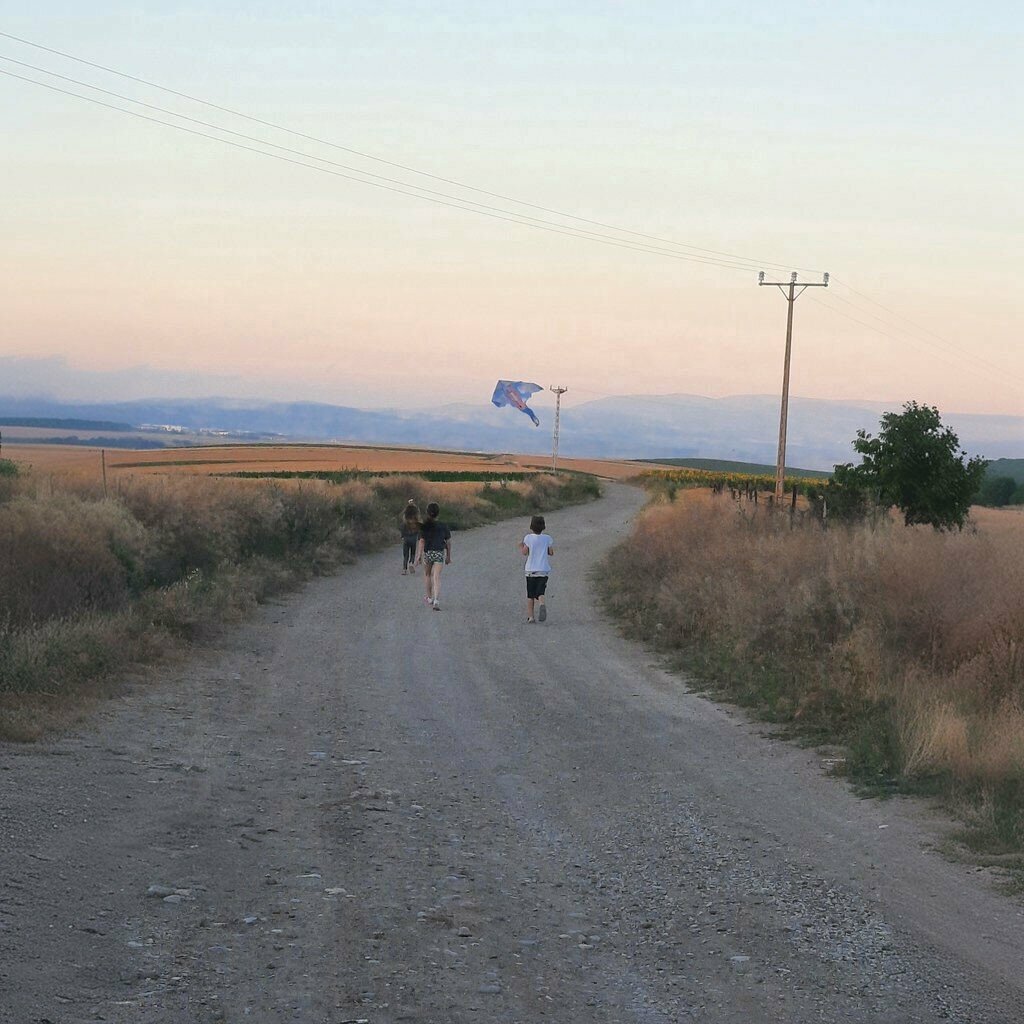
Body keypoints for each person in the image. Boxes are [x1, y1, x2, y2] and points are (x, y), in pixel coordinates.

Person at [415, 502, 451, 610]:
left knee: (427, 575)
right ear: (438, 513)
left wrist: (419, 556)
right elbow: (448, 542)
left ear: (427, 513)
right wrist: (448, 556)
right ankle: (436, 600)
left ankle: (429, 597)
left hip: (428, 553)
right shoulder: (443, 526)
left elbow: (421, 541)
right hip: (439, 552)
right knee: (436, 577)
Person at [520, 514, 554, 623]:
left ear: (531, 526)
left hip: (530, 570)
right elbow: (551, 552)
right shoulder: (547, 538)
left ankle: (531, 617)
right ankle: (542, 603)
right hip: (543, 570)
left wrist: (521, 546)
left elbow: (525, 552)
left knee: (530, 594)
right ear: (543, 526)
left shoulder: (528, 538)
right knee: (540, 592)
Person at [400, 500, 420, 575]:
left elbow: (402, 528)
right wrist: (419, 537)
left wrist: (402, 536)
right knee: (412, 553)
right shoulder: (416, 521)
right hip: (413, 539)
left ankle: (404, 569)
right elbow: (419, 530)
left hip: (406, 539)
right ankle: (411, 563)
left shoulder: (405, 521)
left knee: (405, 555)